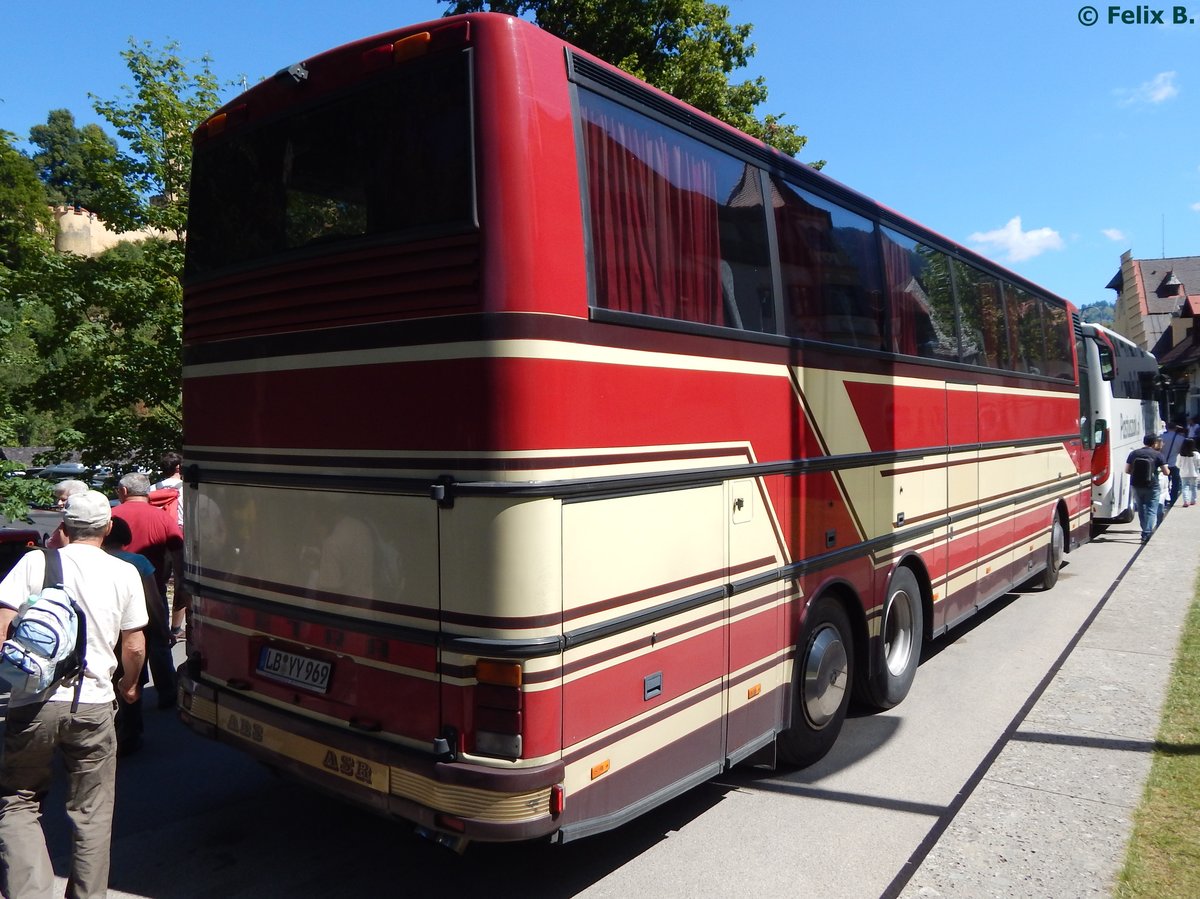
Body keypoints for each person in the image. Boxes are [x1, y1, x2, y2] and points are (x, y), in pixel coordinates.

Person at [0, 490, 147, 899]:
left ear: (63, 527)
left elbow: (2, 625)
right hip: (95, 702)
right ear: (108, 528)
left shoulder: (36, 562)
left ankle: (29, 893)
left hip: (33, 703)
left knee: (17, 800)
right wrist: (130, 685)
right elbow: (134, 645)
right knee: (93, 813)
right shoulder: (124, 572)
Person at [103, 516, 173, 748]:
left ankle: (108, 726)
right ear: (126, 537)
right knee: (132, 679)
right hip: (134, 628)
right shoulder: (138, 562)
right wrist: (163, 628)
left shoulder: (94, 560)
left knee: (107, 679)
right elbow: (153, 600)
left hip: (102, 629)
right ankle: (130, 730)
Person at [112, 471, 190, 656]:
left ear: (123, 490)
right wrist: (181, 591)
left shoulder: (111, 516)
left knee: (119, 649)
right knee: (160, 648)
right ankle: (165, 685)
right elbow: (179, 558)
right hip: (153, 591)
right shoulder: (163, 518)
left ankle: (129, 684)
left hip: (115, 594)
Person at [1126, 435, 1170, 542]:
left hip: (1136, 484)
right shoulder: (1158, 455)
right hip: (1152, 485)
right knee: (1151, 509)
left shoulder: (1134, 453)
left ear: (1144, 442)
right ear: (1154, 443)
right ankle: (1146, 533)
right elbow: (1166, 472)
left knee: (1141, 508)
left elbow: (1127, 470)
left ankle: (1145, 529)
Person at [45, 479, 89, 550]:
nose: (59, 503)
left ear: (76, 499)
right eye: (58, 499)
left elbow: (52, 544)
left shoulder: (70, 522)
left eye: (63, 500)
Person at [1158, 420, 1186, 507]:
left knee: (1165, 484)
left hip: (1163, 463)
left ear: (1167, 427)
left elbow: (1158, 450)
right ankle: (1173, 499)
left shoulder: (1161, 437)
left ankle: (1164, 500)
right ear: (1175, 428)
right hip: (1175, 463)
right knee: (1175, 482)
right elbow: (1182, 451)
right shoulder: (1181, 439)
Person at [1178, 438, 1199, 508]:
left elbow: (1178, 464)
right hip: (1194, 473)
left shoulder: (1181, 454)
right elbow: (1199, 463)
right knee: (1194, 487)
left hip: (1184, 473)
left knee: (1184, 487)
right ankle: (1193, 500)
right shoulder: (1196, 454)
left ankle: (1186, 501)